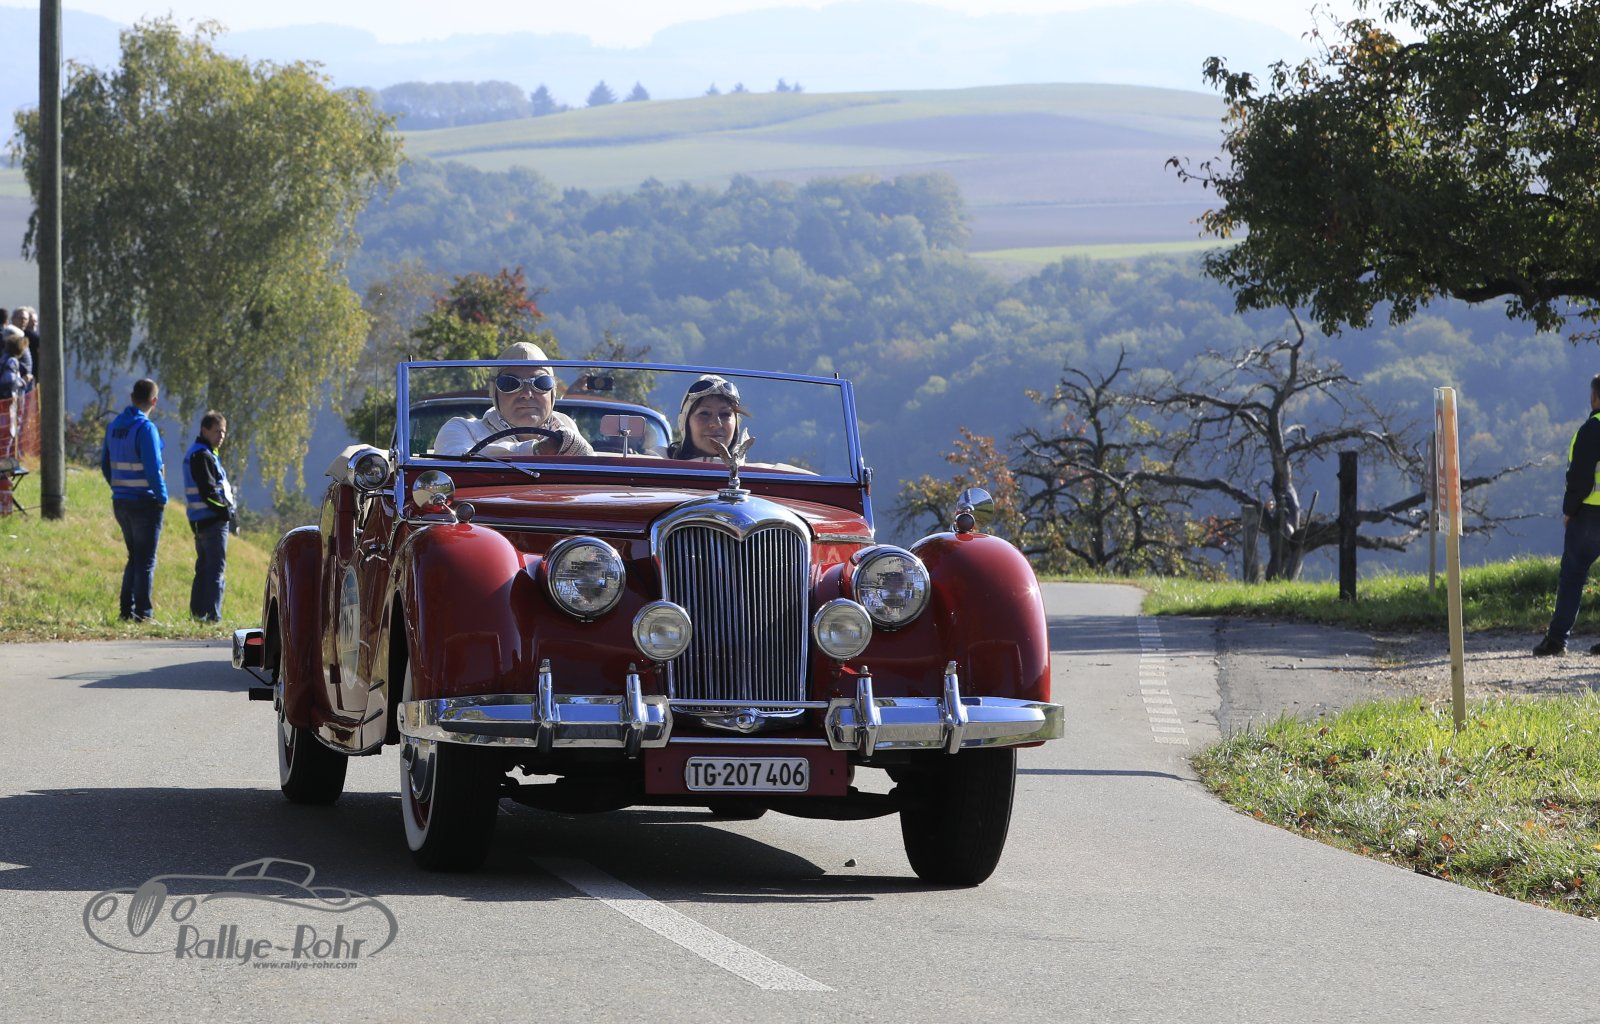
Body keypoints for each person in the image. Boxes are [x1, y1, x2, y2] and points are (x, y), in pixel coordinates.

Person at [1534, 372, 1600, 656]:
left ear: (1595, 397)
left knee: (1573, 575)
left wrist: (1569, 510)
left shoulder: (1591, 429)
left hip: (1589, 515)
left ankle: (1557, 640)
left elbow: (1580, 478)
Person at [431, 342, 594, 457]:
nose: (527, 394)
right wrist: (537, 450)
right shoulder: (461, 429)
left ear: (553, 392)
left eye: (541, 383)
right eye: (510, 383)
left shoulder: (566, 428)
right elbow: (459, 460)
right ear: (495, 392)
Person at [101, 378, 167, 623]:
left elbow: (105, 464)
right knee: (146, 560)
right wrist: (162, 497)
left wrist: (118, 487)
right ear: (154, 401)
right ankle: (143, 613)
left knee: (134, 557)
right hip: (144, 502)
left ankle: (126, 611)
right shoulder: (145, 429)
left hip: (121, 501)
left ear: (132, 398)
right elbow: (153, 469)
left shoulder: (114, 426)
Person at [183, 410, 235, 623]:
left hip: (200, 519)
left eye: (223, 432)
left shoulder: (203, 453)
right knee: (214, 570)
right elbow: (208, 492)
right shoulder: (202, 455)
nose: (221, 436)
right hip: (211, 520)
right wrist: (225, 511)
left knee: (204, 568)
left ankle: (198, 615)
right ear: (204, 430)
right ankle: (212, 616)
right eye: (216, 431)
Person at [665, 374, 751, 461]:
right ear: (684, 422)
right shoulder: (659, 464)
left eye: (725, 414)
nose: (716, 424)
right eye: (704, 413)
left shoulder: (752, 469)